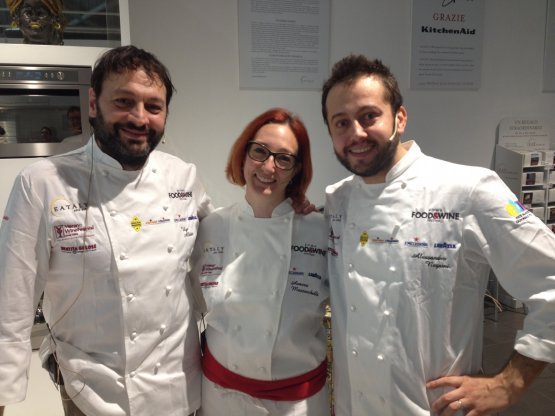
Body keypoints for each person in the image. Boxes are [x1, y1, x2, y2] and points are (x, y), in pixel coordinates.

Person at [322, 54, 555, 416]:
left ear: (400, 117)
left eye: (369, 116)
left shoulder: (468, 190)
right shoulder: (337, 201)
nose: (356, 133)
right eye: (341, 123)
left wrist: (509, 383)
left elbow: (551, 280)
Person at [0, 45, 213, 416]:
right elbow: (10, 305)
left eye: (153, 106)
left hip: (179, 386)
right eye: (124, 101)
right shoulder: (42, 183)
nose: (139, 117)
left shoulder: (184, 177)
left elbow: (213, 268)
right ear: (94, 102)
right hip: (92, 390)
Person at [191, 108, 330, 416]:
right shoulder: (211, 227)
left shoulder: (321, 230)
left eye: (284, 158)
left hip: (298, 404)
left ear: (295, 170)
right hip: (221, 397)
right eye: (260, 152)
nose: (269, 166)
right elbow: (188, 304)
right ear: (243, 155)